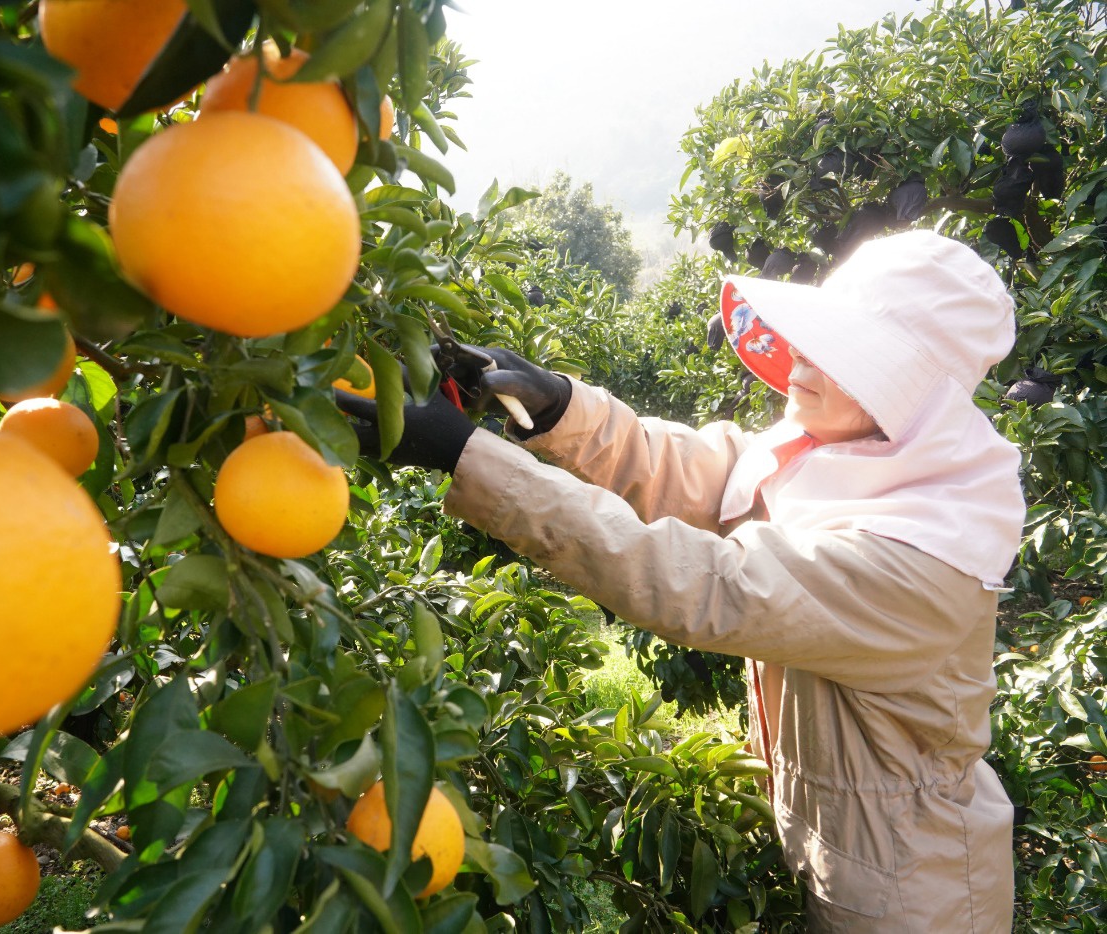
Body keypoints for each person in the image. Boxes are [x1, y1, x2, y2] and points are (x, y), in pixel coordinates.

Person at [338, 230, 1025, 931]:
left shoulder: (928, 550)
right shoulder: (841, 449)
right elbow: (710, 472)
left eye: (851, 363)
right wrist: (559, 409)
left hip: (910, 897)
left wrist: (468, 458)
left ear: (909, 399)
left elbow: (705, 585)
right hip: (838, 851)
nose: (804, 366)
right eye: (819, 339)